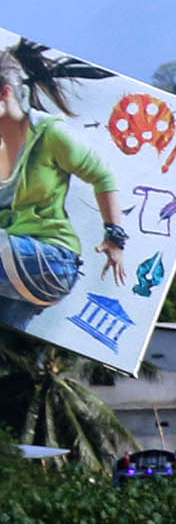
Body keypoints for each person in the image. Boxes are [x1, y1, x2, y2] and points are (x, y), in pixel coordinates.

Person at [0, 40, 127, 337]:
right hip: (13, 265)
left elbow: (103, 177)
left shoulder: (49, 133)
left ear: (5, 93)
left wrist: (115, 238)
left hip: (51, 259)